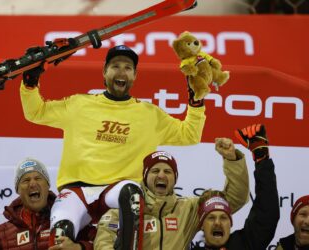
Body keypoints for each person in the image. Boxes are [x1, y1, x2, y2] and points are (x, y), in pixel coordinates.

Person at [20, 44, 207, 248]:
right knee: (60, 235)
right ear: (104, 72)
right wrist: (30, 82)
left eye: (127, 68)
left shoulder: (150, 115)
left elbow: (189, 135)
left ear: (135, 75)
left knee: (132, 193)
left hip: (117, 190)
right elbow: (35, 112)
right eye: (115, 66)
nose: (121, 72)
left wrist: (196, 102)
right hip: (77, 191)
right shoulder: (79, 104)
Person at [94, 137, 249, 250]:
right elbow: (103, 242)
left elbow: (234, 199)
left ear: (175, 179)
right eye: (155, 171)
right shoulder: (121, 211)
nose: (161, 175)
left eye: (167, 171)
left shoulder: (189, 209)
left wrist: (232, 160)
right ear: (145, 177)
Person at [0, 157, 93, 250]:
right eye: (25, 180)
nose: (33, 183)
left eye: (38, 178)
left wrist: (79, 248)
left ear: (48, 186)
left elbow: (102, 244)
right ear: (18, 190)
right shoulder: (0, 234)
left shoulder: (71, 219)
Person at [191, 123, 280, 250]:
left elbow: (267, 212)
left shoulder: (245, 244)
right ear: (201, 225)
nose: (217, 223)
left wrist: (262, 159)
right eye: (211, 218)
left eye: (223, 217)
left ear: (230, 223)